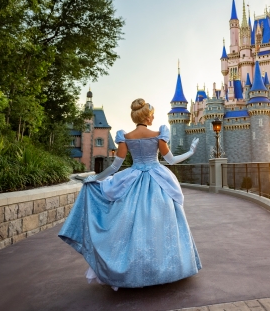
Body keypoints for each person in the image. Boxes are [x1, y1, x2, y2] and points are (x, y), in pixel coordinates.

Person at [58, 98, 202, 290]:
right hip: (158, 180)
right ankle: (164, 268)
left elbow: (115, 166)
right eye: (152, 115)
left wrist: (96, 178)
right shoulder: (159, 134)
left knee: (130, 225)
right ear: (148, 116)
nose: (153, 118)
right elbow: (172, 160)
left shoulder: (125, 136)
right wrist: (191, 152)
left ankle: (132, 269)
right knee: (161, 224)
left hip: (132, 180)